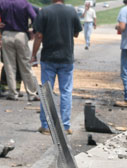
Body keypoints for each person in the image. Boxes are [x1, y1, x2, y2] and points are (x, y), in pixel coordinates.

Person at [31, 0, 82, 135]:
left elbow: (38, 35)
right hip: (66, 57)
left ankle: (46, 126)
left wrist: (33, 55)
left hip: (49, 58)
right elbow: (76, 33)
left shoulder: (45, 12)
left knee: (47, 92)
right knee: (66, 92)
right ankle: (65, 126)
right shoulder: (71, 11)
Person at [0, 0, 39, 101]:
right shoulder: (24, 3)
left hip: (7, 34)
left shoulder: (2, 2)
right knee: (25, 65)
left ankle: (13, 93)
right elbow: (35, 17)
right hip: (21, 35)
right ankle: (31, 93)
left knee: (9, 65)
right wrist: (33, 31)